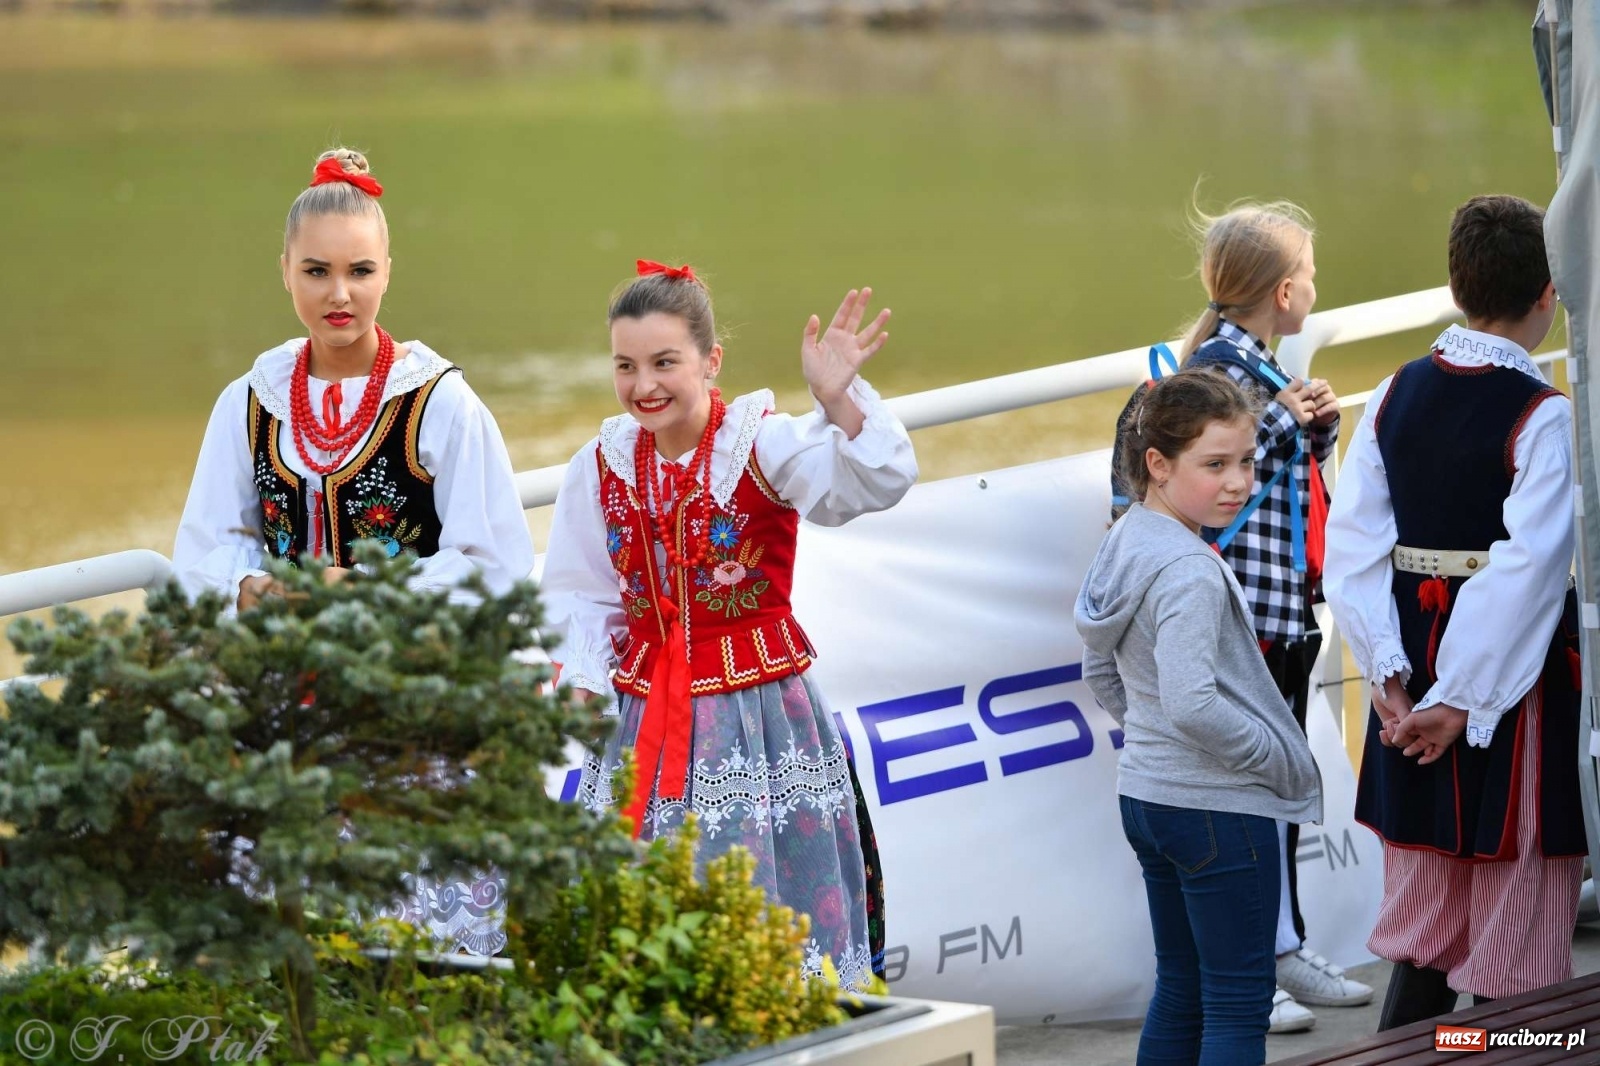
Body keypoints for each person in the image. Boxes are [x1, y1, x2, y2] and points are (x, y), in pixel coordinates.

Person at [172, 147, 535, 953]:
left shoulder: (439, 402)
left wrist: (369, 593)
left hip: (415, 698)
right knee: (284, 936)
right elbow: (204, 548)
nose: (339, 294)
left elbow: (495, 564)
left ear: (388, 273)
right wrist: (249, 591)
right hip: (279, 697)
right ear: (285, 272)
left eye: (360, 271)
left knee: (412, 944)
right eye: (317, 271)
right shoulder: (250, 402)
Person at [540, 261, 916, 990]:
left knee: (760, 890)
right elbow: (580, 590)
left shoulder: (761, 444)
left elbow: (878, 480)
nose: (643, 385)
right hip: (643, 713)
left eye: (664, 362)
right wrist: (582, 678)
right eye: (625, 366)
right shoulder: (601, 463)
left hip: (759, 713)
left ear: (710, 361)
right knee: (638, 898)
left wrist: (836, 399)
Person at [1323, 194, 1584, 1030]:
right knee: (1513, 918)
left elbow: (1353, 546)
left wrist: (1392, 679)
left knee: (1427, 917)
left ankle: (1417, 1053)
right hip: (1506, 674)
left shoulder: (1393, 391)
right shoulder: (1543, 416)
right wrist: (1462, 698)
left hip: (1413, 653)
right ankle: (1494, 1050)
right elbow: (1527, 572)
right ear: (1549, 294)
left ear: (1456, 284)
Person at [1112, 201, 1369, 1031]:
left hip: (1272, 606)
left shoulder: (1254, 368)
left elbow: (1277, 479)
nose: (1316, 290)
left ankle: (1278, 949)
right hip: (1242, 610)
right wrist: (1293, 424)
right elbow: (1222, 481)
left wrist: (1315, 428)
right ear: (1285, 292)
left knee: (1268, 793)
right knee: (1247, 799)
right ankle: (1255, 969)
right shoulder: (1225, 375)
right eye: (1312, 276)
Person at [1077, 368, 1323, 1066]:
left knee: (1182, 988)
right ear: (1157, 464)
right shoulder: (1187, 568)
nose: (1238, 482)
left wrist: (1152, 736)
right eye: (1214, 465)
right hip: (1218, 808)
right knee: (1239, 1001)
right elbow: (1192, 704)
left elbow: (1100, 670)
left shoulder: (1125, 538)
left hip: (1148, 797)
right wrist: (1270, 758)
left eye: (1245, 460)